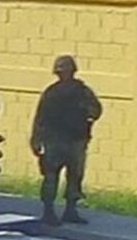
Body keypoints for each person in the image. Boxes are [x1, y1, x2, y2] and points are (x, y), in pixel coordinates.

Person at [30, 55, 102, 226]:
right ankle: (49, 211)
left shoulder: (82, 91)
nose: (64, 74)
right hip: (55, 140)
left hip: (75, 140)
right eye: (61, 71)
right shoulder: (52, 93)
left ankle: (70, 209)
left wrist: (87, 116)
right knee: (51, 176)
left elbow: (96, 110)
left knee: (75, 176)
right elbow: (40, 118)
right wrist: (36, 139)